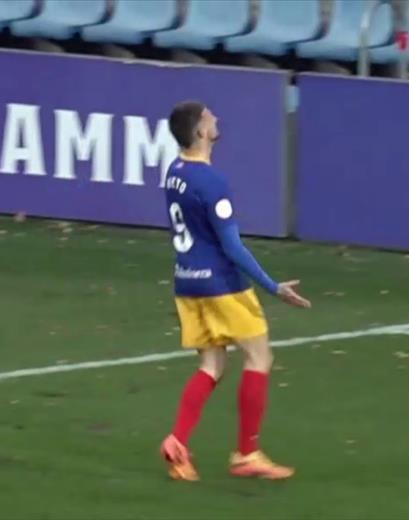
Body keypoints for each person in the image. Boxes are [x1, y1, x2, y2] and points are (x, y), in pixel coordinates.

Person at [160, 101, 312, 481]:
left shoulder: (174, 172)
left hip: (186, 281)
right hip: (222, 285)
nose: (216, 119)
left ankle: (177, 442)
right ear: (200, 132)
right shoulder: (212, 182)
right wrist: (273, 287)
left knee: (211, 366)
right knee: (260, 358)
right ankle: (247, 453)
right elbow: (233, 247)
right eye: (209, 117)